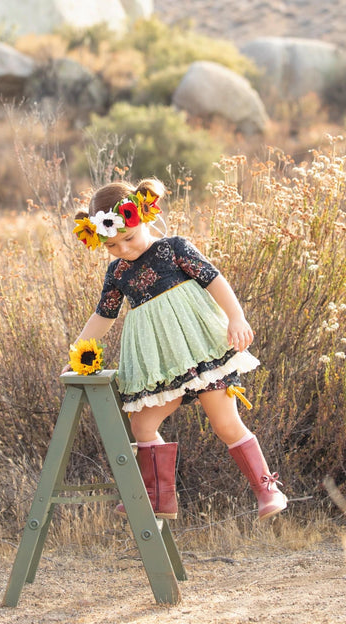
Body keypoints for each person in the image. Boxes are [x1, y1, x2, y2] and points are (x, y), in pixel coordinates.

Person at [62, 177, 287, 521]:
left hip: (202, 353)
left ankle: (267, 489)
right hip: (161, 365)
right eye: (112, 246)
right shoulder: (118, 272)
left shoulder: (173, 248)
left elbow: (214, 279)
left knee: (226, 424)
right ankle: (159, 498)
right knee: (142, 425)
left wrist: (236, 317)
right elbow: (103, 315)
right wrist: (77, 354)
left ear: (145, 219)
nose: (123, 249)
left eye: (129, 238)